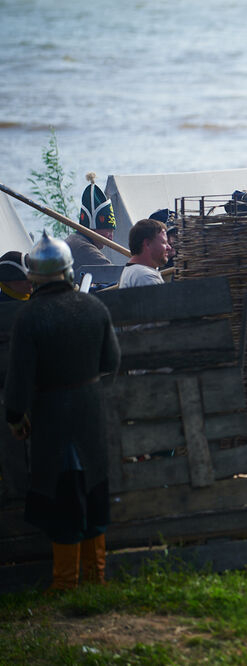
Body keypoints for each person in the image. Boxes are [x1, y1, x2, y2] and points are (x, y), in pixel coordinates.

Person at [4, 231, 120, 590]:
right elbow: (111, 361)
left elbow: (19, 377)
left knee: (60, 493)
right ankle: (95, 577)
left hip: (50, 414)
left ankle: (66, 582)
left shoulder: (29, 316)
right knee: (92, 488)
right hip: (89, 410)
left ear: (34, 276)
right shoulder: (94, 307)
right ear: (68, 271)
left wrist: (15, 416)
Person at [65, 172, 116, 275]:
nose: (111, 238)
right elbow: (111, 274)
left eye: (112, 231)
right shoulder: (83, 247)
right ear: (93, 228)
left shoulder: (76, 239)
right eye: (108, 231)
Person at [117, 218, 171, 288]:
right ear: (147, 244)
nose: (169, 247)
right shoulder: (145, 276)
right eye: (163, 243)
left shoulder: (135, 272)